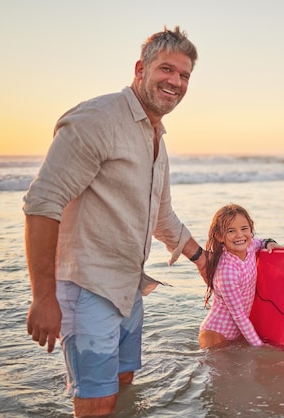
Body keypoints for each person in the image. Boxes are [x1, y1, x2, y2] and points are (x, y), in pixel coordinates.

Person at [23, 26, 205, 416]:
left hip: (129, 288)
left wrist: (202, 259)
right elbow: (43, 202)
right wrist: (43, 296)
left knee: (123, 386)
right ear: (141, 68)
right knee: (97, 402)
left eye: (184, 75)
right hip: (87, 287)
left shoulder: (157, 134)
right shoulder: (98, 119)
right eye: (166, 69)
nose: (175, 81)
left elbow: (161, 215)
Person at [199, 204, 284, 349]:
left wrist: (269, 242)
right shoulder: (227, 272)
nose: (240, 235)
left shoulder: (250, 247)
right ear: (220, 236)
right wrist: (258, 346)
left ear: (250, 229)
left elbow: (259, 241)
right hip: (216, 335)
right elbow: (238, 315)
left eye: (244, 229)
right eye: (231, 231)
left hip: (237, 333)